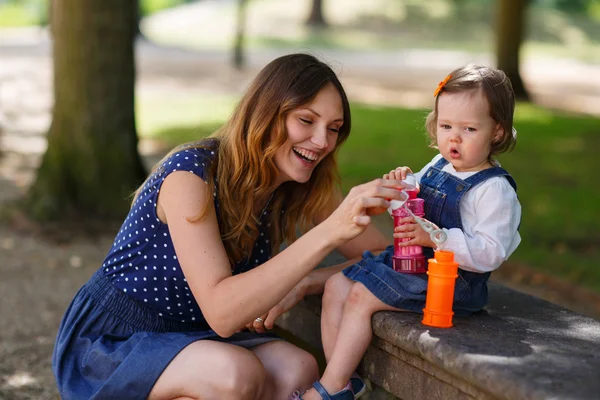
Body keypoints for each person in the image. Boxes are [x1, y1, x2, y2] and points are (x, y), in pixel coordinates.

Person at [51, 53, 407, 400]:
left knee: (297, 368)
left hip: (196, 337)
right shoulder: (191, 175)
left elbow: (382, 255)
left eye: (334, 129)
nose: (321, 142)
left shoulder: (307, 182)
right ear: (266, 113)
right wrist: (328, 232)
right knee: (235, 375)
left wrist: (307, 281)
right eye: (306, 120)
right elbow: (223, 314)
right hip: (118, 339)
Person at [294, 64, 522, 400]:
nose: (453, 138)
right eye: (446, 126)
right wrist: (401, 188)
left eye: (469, 128)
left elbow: (491, 252)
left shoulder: (493, 190)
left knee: (361, 297)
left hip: (451, 282)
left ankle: (329, 390)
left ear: (497, 132)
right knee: (336, 286)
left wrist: (437, 239)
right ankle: (343, 381)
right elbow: (412, 205)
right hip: (411, 261)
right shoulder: (441, 165)